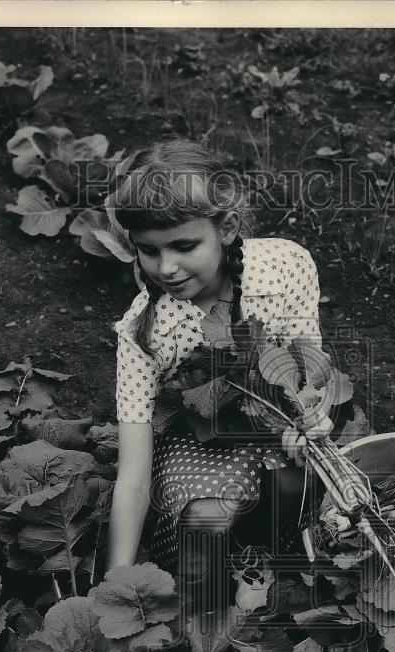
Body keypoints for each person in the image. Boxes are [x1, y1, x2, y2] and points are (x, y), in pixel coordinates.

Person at [105, 138, 324, 613]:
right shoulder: (145, 334)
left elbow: (311, 365)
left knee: (299, 479)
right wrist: (114, 586)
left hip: (274, 421)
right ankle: (212, 590)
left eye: (185, 246)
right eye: (148, 250)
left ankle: (271, 560)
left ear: (226, 228)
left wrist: (310, 414)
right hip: (199, 443)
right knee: (204, 519)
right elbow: (134, 474)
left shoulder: (285, 268)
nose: (166, 267)